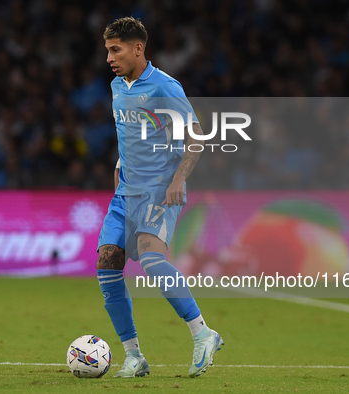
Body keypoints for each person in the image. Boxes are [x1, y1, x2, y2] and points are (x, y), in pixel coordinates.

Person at [96, 17, 223, 378]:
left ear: (138, 48)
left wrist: (179, 178)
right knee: (107, 263)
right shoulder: (117, 86)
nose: (109, 58)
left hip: (159, 189)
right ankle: (133, 356)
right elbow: (136, 131)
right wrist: (121, 161)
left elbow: (196, 136)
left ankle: (203, 333)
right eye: (107, 50)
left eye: (115, 50)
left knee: (152, 260)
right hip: (126, 191)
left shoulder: (166, 87)